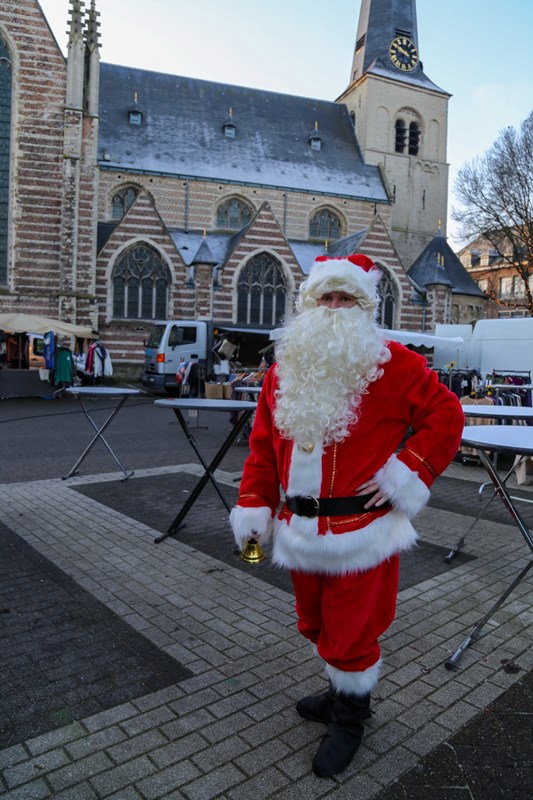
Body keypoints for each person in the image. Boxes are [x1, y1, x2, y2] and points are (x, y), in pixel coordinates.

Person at [230, 253, 465, 779]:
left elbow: (446, 414)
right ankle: (340, 688)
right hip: (299, 529)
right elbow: (263, 446)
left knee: (353, 630)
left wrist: (407, 472)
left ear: (365, 307)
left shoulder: (395, 364)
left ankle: (351, 717)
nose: (335, 308)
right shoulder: (283, 371)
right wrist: (254, 503)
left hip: (363, 533)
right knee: (314, 622)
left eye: (347, 299)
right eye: (326, 298)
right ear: (308, 305)